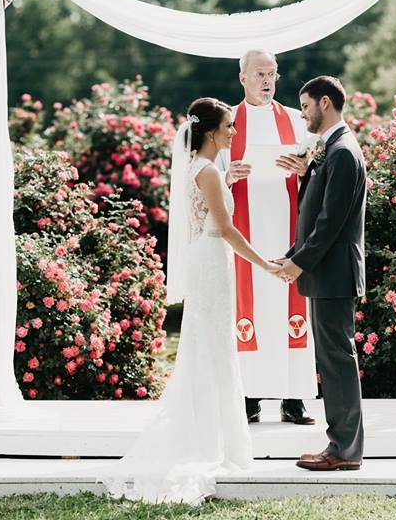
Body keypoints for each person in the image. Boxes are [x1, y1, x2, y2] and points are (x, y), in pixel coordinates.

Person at [101, 97, 283, 505]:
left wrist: (227, 181)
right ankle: (214, 442)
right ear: (211, 131)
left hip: (207, 256)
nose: (234, 132)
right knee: (216, 348)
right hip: (215, 258)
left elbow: (209, 208)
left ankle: (208, 433)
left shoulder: (199, 169)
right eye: (230, 126)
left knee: (208, 347)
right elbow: (229, 229)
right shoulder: (210, 173)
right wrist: (264, 265)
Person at [217, 49, 319, 426]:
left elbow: (317, 167)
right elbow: (212, 173)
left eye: (272, 73)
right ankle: (249, 397)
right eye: (259, 73)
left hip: (289, 229)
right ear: (242, 77)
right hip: (246, 233)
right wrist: (228, 177)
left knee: (292, 310)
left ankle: (294, 399)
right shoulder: (227, 121)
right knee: (249, 310)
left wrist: (305, 167)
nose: (267, 80)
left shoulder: (295, 120)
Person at [275, 76, 367, 471]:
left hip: (334, 273)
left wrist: (299, 261)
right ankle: (340, 445)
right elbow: (314, 213)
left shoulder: (344, 152)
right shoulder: (331, 152)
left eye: (306, 105)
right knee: (332, 360)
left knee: (337, 361)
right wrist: (293, 254)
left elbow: (331, 223)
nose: (303, 114)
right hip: (325, 272)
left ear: (325, 103)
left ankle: (344, 450)